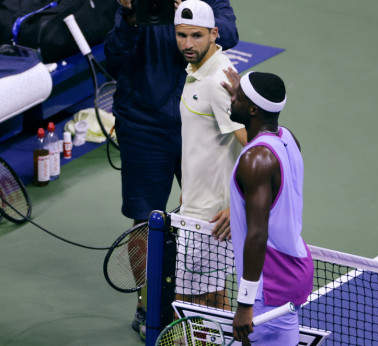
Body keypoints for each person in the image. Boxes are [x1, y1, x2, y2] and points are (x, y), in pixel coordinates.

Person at [103, 0, 239, 339]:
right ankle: (146, 305)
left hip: (199, 123)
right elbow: (114, 57)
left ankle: (212, 311)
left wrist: (188, 10)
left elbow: (230, 32)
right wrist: (132, 16)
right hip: (144, 126)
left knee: (209, 220)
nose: (188, 41)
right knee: (145, 220)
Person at [222, 69, 314, 345]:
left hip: (270, 281)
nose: (231, 100)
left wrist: (245, 303)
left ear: (252, 109)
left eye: (237, 98)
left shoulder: (256, 160)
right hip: (292, 265)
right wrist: (244, 94)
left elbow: (257, 233)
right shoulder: (288, 138)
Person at [173, 0, 246, 311]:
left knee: (188, 304)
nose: (188, 44)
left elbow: (258, 147)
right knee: (213, 300)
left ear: (214, 33)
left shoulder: (218, 82)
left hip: (210, 219)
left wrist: (236, 202)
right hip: (197, 208)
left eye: (197, 36)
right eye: (181, 35)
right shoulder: (198, 70)